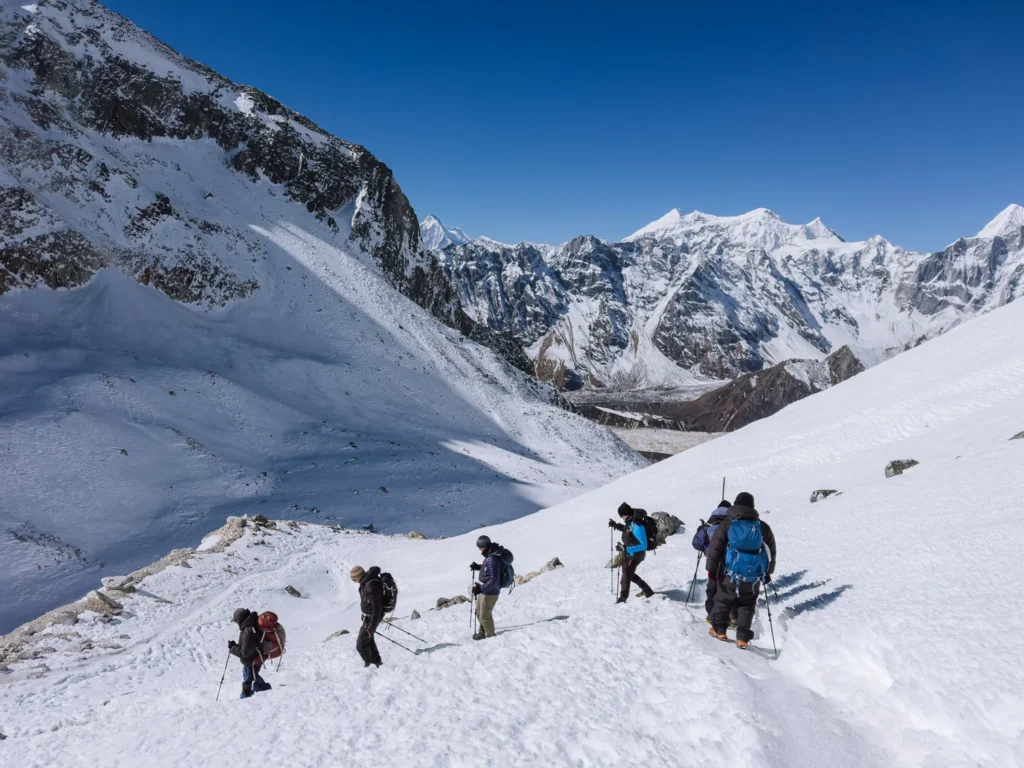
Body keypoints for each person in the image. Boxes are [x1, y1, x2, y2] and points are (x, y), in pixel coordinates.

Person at [705, 492, 776, 649]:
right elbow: (771, 550)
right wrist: (768, 571)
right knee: (747, 603)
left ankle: (719, 630)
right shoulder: (761, 526)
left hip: (728, 573)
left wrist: (711, 569)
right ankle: (742, 638)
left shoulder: (728, 523)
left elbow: (715, 548)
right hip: (753, 575)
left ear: (736, 505)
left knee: (722, 600)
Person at [691, 500, 733, 623]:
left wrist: (706, 548)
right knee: (728, 588)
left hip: (712, 562)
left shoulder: (708, 526)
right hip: (731, 562)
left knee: (712, 587)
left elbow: (696, 544)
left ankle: (711, 615)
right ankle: (729, 616)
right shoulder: (733, 524)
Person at [608, 502, 654, 603]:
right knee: (629, 574)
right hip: (630, 554)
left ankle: (622, 599)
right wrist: (616, 525)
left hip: (636, 555)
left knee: (625, 577)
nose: (621, 518)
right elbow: (627, 530)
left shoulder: (637, 526)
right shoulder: (631, 522)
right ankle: (647, 590)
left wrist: (625, 549)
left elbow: (644, 545)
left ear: (627, 514)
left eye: (622, 516)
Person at [228, 608, 272, 699]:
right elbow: (248, 646)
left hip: (250, 660)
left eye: (236, 621)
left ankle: (244, 700)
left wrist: (232, 648)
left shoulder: (247, 629)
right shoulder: (252, 624)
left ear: (239, 619)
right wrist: (235, 646)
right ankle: (265, 691)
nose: (236, 623)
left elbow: (244, 653)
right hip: (257, 657)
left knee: (248, 680)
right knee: (253, 677)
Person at [469, 535, 506, 640]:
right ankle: (482, 632)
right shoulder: (490, 555)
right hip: (485, 589)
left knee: (484, 615)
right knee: (479, 612)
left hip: (490, 592)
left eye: (480, 547)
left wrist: (480, 589)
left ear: (484, 546)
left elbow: (494, 580)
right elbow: (490, 570)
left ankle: (491, 637)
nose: (479, 549)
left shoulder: (493, 558)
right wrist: (478, 567)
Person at [351, 565, 384, 667]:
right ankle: (376, 662)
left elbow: (376, 607)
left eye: (353, 579)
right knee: (368, 640)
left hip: (372, 618)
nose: (354, 581)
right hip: (370, 617)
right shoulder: (366, 583)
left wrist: (371, 626)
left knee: (360, 645)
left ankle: (370, 664)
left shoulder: (370, 585)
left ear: (358, 577)